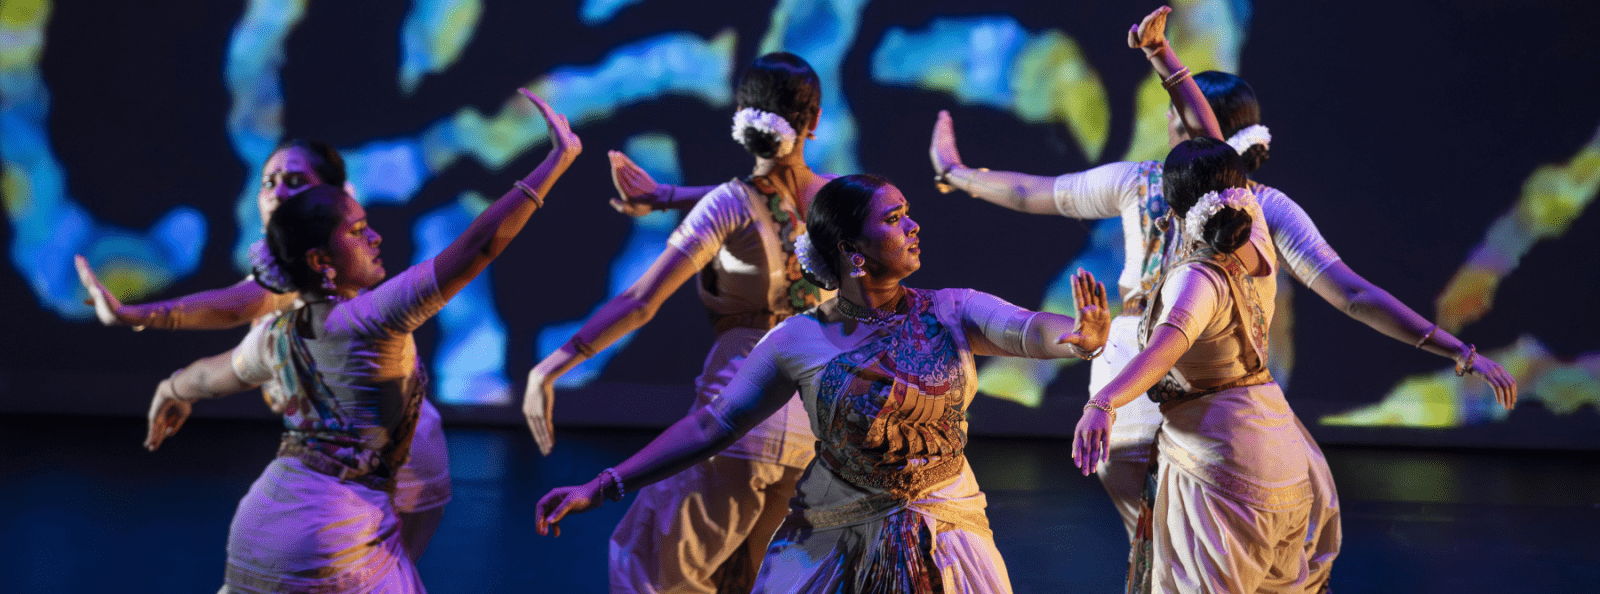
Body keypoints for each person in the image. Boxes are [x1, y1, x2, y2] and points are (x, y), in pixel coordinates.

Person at [927, 6, 1517, 588]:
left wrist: (1456, 350)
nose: (1176, 135)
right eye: (1175, 124)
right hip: (1139, 369)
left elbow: (1353, 293)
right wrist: (958, 173)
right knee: (1163, 537)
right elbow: (1039, 193)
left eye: (1190, 128)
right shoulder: (1147, 185)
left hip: (1204, 388)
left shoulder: (1258, 213)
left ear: (1226, 141)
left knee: (1209, 544)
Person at [535, 174, 1111, 594]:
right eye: (893, 219)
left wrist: (1077, 335)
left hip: (948, 531)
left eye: (907, 212)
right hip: (836, 539)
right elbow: (714, 424)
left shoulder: (953, 309)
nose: (913, 226)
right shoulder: (797, 341)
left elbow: (1028, 329)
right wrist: (606, 483)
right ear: (853, 255)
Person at [139, 89, 579, 592]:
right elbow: (478, 246)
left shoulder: (277, 333)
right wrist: (556, 161)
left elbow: (208, 377)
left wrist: (172, 390)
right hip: (327, 536)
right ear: (322, 262)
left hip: (259, 527)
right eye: (358, 231)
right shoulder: (374, 318)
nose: (377, 238)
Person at [1071, 138, 1516, 592]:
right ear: (1240, 189)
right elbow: (1358, 296)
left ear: (1171, 208)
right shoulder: (1260, 244)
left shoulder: (1197, 277)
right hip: (1280, 453)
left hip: (1223, 460)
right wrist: (1461, 351)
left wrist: (1102, 404)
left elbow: (1165, 348)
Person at [523, 52, 838, 593]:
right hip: (814, 430)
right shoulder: (837, 201)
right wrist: (669, 198)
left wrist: (551, 366)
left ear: (741, 115)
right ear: (813, 121)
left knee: (650, 569)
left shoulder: (726, 206)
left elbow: (642, 301)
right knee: (758, 581)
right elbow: (778, 205)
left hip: (740, 423)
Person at [74, 139, 453, 560]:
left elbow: (233, 307)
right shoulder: (287, 277)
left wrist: (133, 314)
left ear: (333, 197)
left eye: (294, 181)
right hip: (338, 470)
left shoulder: (315, 275)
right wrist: (175, 387)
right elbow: (237, 360)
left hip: (400, 458)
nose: (277, 192)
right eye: (268, 182)